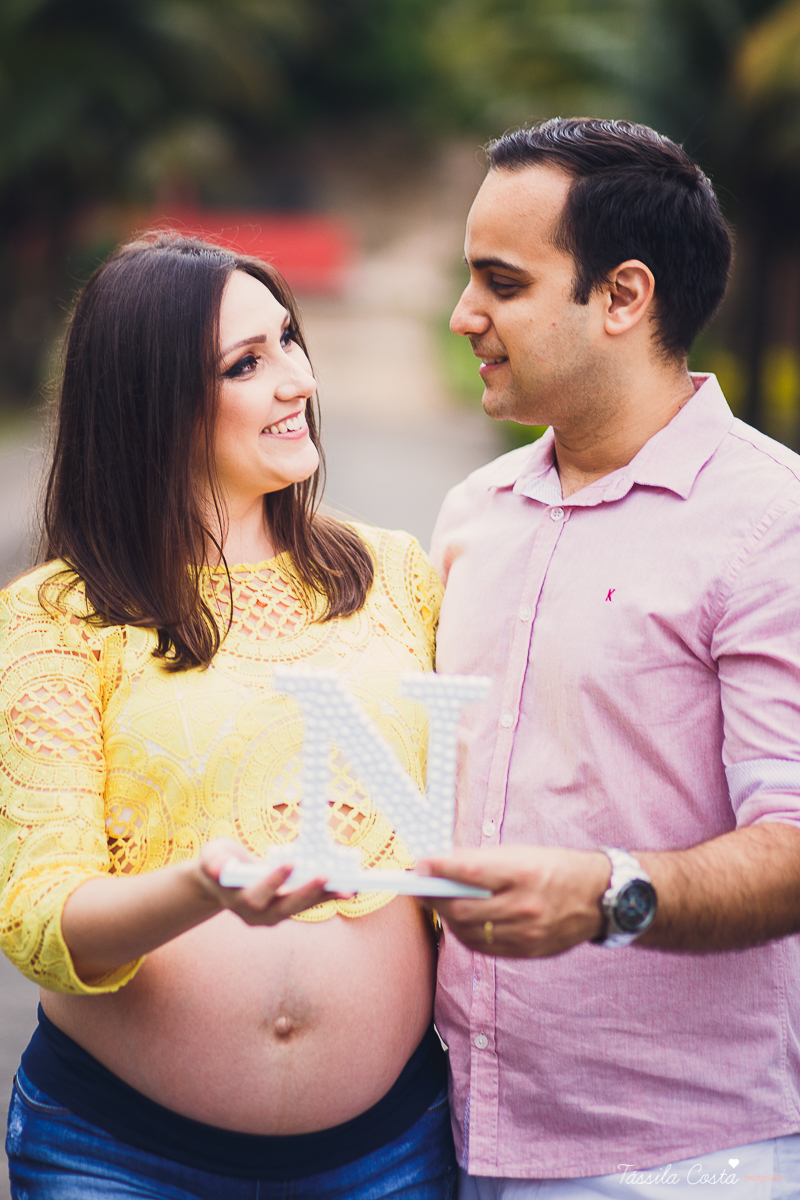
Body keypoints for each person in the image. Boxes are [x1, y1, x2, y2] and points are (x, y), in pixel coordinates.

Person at [0, 233, 456, 1199]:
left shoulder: (399, 576)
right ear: (152, 402)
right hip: (115, 1156)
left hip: (387, 1153)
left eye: (289, 340)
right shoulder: (56, 617)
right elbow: (41, 919)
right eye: (247, 363)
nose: (297, 379)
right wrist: (203, 886)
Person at [418, 119, 800, 1197]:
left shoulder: (773, 525)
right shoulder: (470, 513)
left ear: (621, 297)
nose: (463, 316)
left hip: (679, 1159)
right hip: (449, 1135)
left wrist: (605, 896)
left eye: (500, 281)